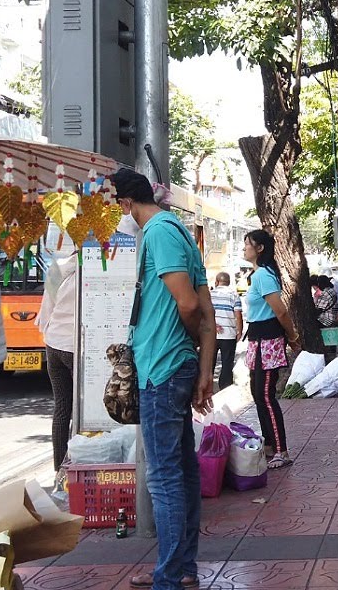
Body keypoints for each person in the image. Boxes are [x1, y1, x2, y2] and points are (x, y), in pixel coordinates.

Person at [112, 168, 216, 590]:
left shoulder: (158, 232)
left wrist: (190, 357)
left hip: (162, 369)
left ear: (125, 204)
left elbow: (191, 306)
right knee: (182, 472)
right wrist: (204, 369)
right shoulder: (180, 233)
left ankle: (170, 576)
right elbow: (208, 316)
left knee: (165, 476)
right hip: (175, 366)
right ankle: (181, 569)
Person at [242, 229, 301, 469]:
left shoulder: (264, 276)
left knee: (266, 396)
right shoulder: (257, 275)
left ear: (260, 249)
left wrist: (293, 335)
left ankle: (281, 450)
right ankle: (269, 445)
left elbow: (281, 311)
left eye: (248, 244)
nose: (244, 248)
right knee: (257, 394)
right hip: (257, 339)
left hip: (268, 340)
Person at [37, 244, 78, 472]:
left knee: (62, 408)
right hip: (75, 347)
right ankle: (79, 465)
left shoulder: (58, 268)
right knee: (83, 410)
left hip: (53, 344)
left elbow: (46, 311)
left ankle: (60, 470)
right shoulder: (95, 268)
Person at [210, 272, 243, 390]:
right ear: (228, 282)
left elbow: (204, 313)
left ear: (217, 282)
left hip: (211, 335)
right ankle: (225, 387)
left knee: (209, 362)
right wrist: (239, 331)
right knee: (227, 363)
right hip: (229, 334)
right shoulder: (234, 295)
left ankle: (207, 386)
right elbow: (238, 315)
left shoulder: (210, 294)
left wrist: (214, 325)